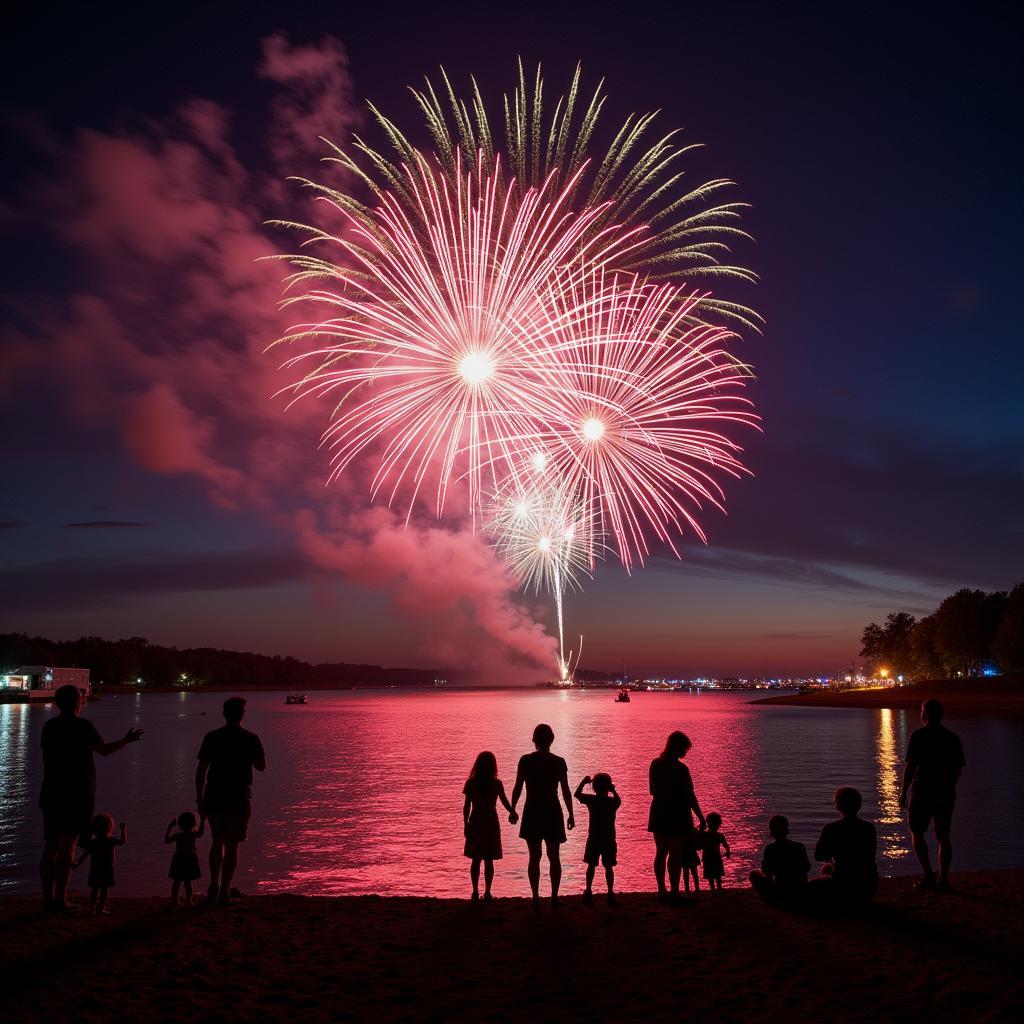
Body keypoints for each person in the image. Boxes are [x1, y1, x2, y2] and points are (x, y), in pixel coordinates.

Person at [38, 683, 143, 913]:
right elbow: (104, 751)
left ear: (57, 702)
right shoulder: (83, 726)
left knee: (51, 845)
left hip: (51, 792)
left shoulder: (49, 726)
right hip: (77, 793)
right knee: (68, 847)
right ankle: (60, 899)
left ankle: (48, 900)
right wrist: (126, 741)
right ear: (79, 702)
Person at [195, 696, 266, 907]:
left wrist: (199, 797)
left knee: (217, 841)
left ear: (224, 713)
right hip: (239, 796)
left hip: (214, 794)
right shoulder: (251, 738)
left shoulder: (212, 737)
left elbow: (201, 771)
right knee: (232, 845)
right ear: (242, 714)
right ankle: (225, 891)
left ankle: (213, 886)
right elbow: (261, 766)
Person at [899, 698, 966, 892]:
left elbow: (911, 767)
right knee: (943, 835)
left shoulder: (918, 736)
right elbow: (958, 768)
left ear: (924, 714)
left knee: (917, 833)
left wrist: (903, 791)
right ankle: (943, 877)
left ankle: (928, 875)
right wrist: (950, 786)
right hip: (945, 793)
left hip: (921, 791)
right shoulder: (952, 737)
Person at [509, 723, 574, 906]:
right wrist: (571, 813)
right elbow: (566, 790)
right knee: (554, 856)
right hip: (552, 810)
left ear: (534, 740)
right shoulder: (558, 762)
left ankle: (536, 895)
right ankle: (554, 896)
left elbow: (518, 787)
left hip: (532, 810)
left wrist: (513, 809)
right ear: (551, 739)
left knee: (534, 856)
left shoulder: (526, 760)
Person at [648, 730, 705, 903]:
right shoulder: (681, 769)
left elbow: (653, 791)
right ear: (679, 748)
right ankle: (674, 891)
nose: (686, 753)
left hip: (659, 810)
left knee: (661, 852)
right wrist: (700, 817)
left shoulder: (656, 764)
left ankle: (661, 890)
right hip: (678, 813)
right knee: (675, 853)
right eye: (685, 749)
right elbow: (690, 795)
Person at [810, 787, 878, 910]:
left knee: (809, 887)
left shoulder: (831, 828)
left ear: (838, 806)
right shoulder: (869, 828)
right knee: (827, 871)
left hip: (842, 884)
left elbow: (818, 856)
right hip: (869, 885)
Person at [462, 751, 514, 901]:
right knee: (488, 859)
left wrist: (465, 824)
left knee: (476, 858)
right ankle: (488, 892)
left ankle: (475, 892)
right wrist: (513, 812)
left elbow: (466, 807)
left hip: (476, 821)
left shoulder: (471, 783)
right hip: (491, 821)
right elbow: (504, 801)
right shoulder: (496, 783)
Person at [574, 773, 621, 904]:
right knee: (609, 867)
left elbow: (577, 794)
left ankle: (588, 891)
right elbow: (618, 800)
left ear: (594, 787)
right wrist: (613, 790)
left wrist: (583, 783)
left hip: (594, 837)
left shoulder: (591, 800)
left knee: (591, 865)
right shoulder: (613, 802)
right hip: (609, 838)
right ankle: (610, 893)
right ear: (608, 787)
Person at [749, 814, 811, 908]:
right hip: (801, 890)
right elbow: (807, 867)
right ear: (787, 830)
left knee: (753, 874)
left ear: (772, 832)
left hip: (781, 891)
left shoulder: (770, 849)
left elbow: (767, 872)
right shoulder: (799, 846)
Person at [73, 813, 126, 915]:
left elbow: (85, 854)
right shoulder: (110, 840)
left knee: (95, 889)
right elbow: (122, 842)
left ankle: (91, 908)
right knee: (105, 890)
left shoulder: (93, 842)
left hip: (95, 869)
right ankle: (101, 909)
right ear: (109, 827)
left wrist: (77, 864)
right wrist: (123, 829)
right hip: (107, 869)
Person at [165, 811, 205, 907]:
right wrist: (203, 820)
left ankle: (174, 901)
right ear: (193, 823)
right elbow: (200, 833)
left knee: (177, 882)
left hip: (179, 859)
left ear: (180, 824)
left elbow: (166, 840)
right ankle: (188, 901)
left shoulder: (178, 835)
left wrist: (170, 827)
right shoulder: (192, 835)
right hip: (189, 859)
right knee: (187, 882)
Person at [701, 812, 731, 892]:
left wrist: (728, 851)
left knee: (712, 875)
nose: (720, 825)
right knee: (716, 874)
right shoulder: (719, 835)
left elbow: (725, 845)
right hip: (714, 857)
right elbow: (726, 845)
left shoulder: (705, 835)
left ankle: (715, 889)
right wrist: (728, 851)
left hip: (708, 857)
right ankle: (717, 888)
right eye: (719, 823)